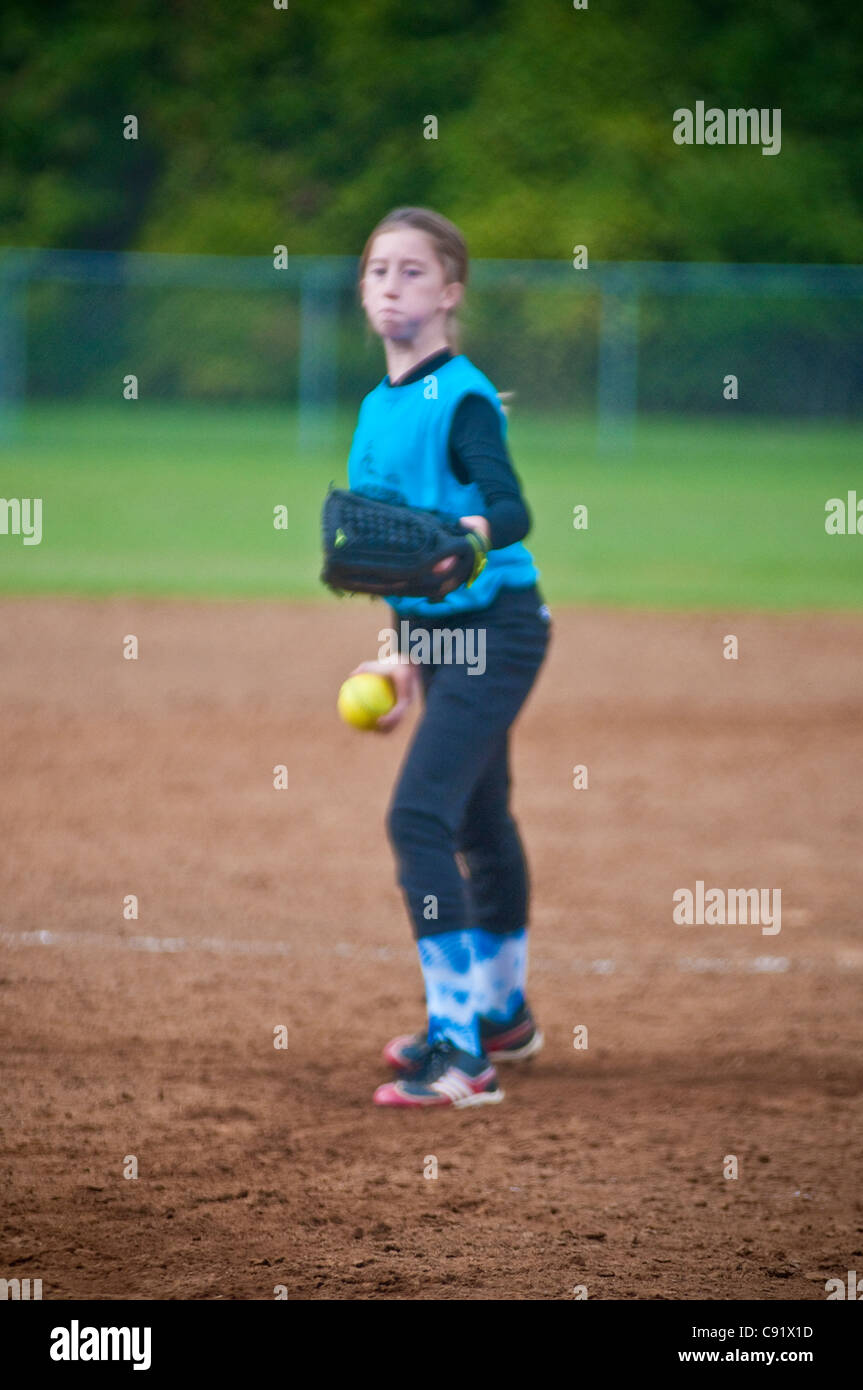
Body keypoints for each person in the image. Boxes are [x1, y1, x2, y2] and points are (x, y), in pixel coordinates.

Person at [345, 206, 552, 1109]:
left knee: (417, 820)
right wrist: (396, 658)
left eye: (412, 271)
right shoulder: (374, 408)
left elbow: (509, 510)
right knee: (474, 816)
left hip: (500, 628)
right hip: (439, 633)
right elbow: (391, 554)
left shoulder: (460, 395)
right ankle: (500, 1014)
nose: (391, 284)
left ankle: (461, 1055)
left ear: (450, 292)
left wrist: (469, 530)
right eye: (378, 270)